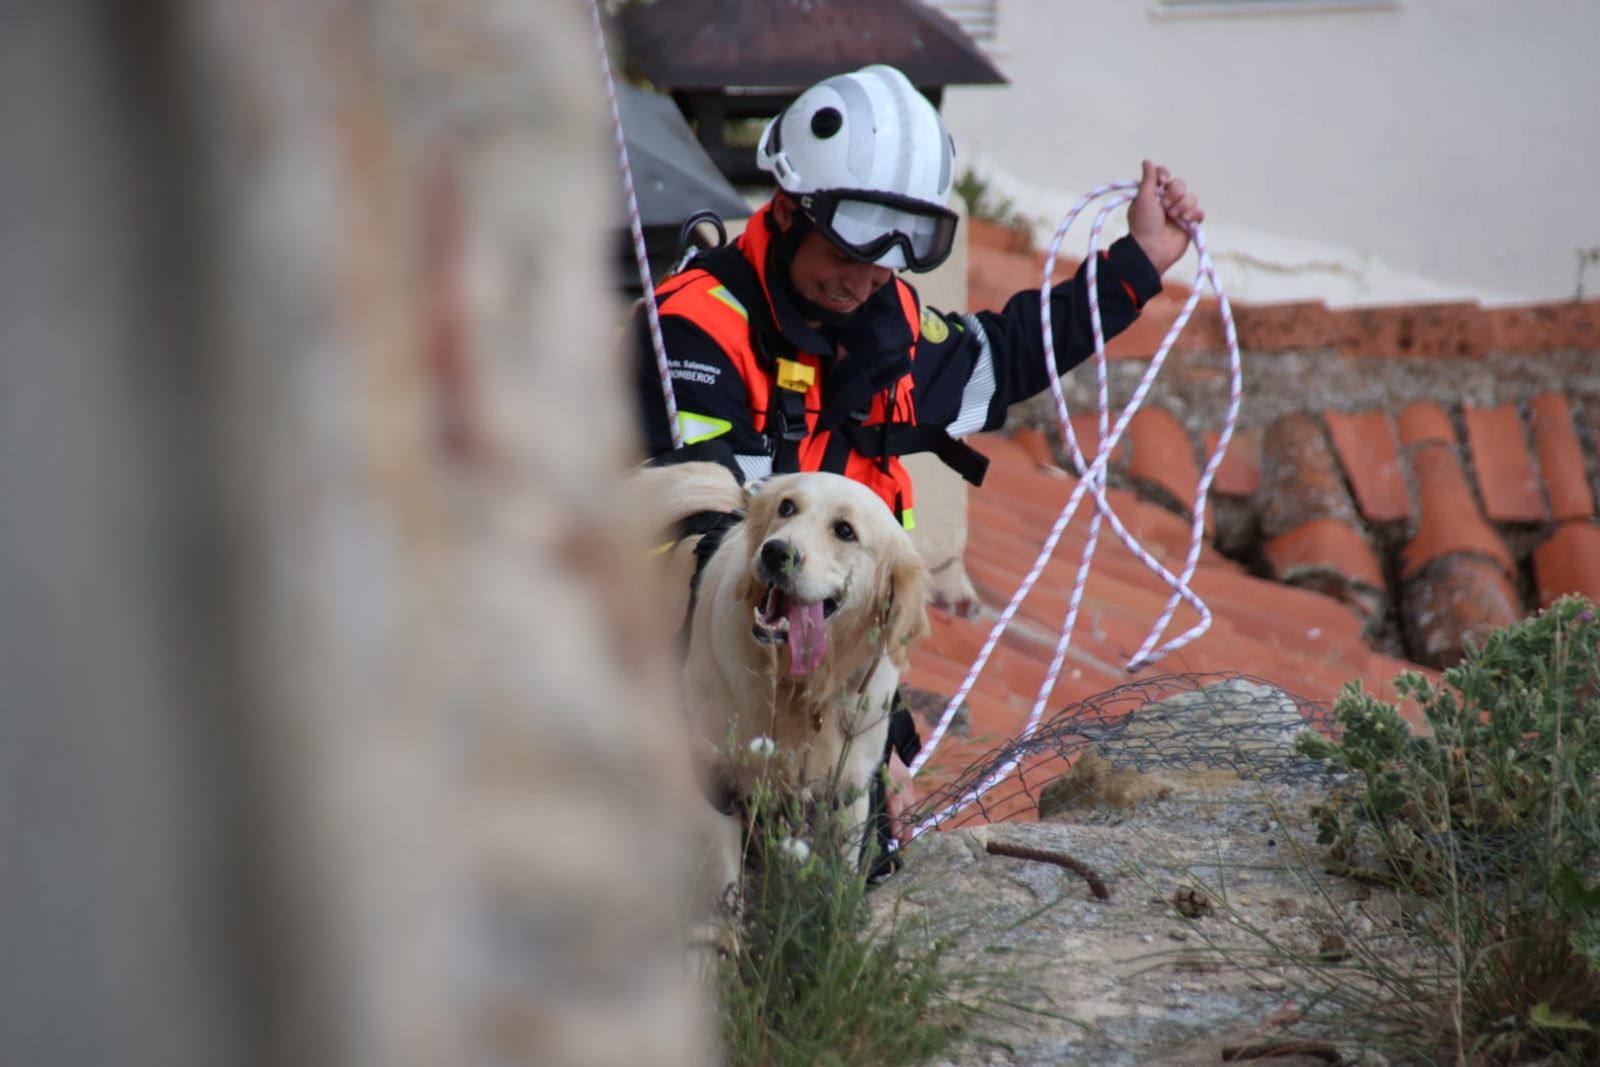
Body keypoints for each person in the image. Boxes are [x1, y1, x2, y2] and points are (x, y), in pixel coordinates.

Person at [632, 63, 1204, 870]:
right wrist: (848, 733)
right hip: (678, 682)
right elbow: (708, 549)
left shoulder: (882, 323)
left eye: (893, 256)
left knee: (852, 888)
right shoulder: (696, 331)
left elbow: (1002, 355)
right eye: (849, 248)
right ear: (788, 210)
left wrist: (1138, 262)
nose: (867, 277)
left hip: (821, 673)